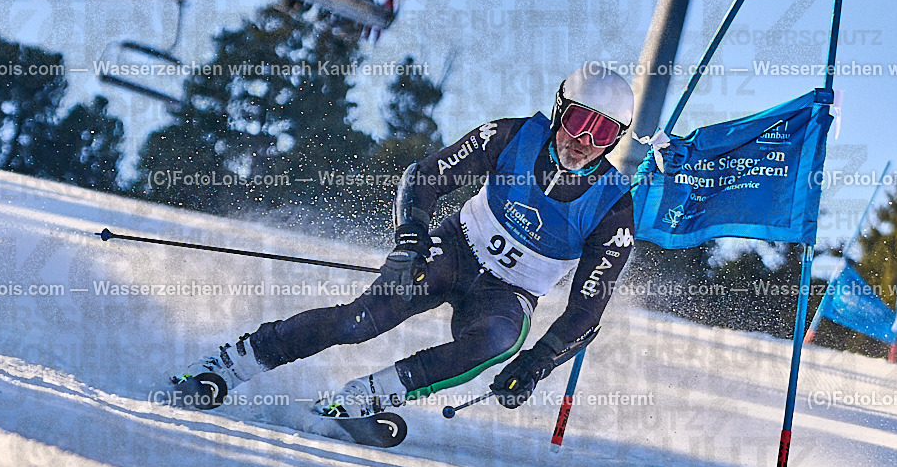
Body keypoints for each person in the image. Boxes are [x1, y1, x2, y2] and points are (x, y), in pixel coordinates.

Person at [171, 63, 637, 417]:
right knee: (358, 322)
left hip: (508, 295)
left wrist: (538, 363)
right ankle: (231, 364)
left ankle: (363, 397)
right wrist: (410, 241)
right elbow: (427, 176)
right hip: (453, 251)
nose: (584, 140)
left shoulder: (613, 207)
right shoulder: (513, 135)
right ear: (559, 110)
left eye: (604, 132)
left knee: (499, 340)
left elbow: (586, 309)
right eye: (578, 120)